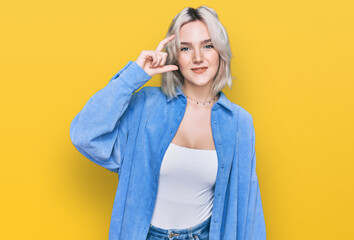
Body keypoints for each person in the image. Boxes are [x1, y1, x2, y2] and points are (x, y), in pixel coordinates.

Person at [70, 6, 266, 240]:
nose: (198, 58)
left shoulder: (239, 123)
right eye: (186, 48)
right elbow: (84, 134)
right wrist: (134, 76)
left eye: (207, 45)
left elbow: (247, 209)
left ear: (220, 51)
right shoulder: (146, 106)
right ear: (175, 56)